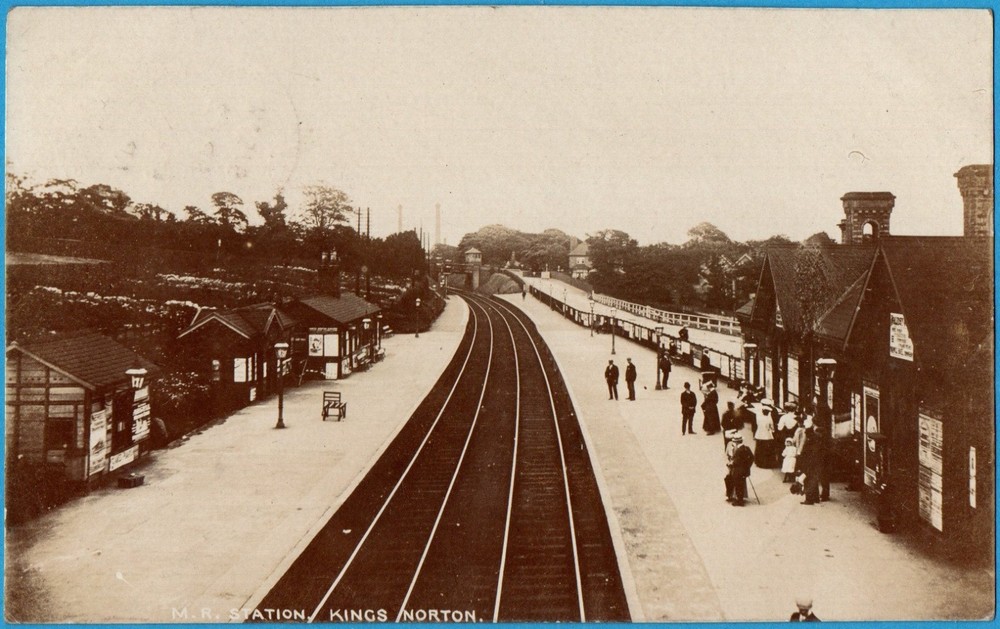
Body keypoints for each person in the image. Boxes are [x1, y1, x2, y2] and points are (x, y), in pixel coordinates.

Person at [725, 434, 754, 506]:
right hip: (744, 470)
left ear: (737, 442)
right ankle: (735, 497)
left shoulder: (738, 450)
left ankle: (739, 500)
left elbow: (736, 462)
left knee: (738, 485)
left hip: (737, 471)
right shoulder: (746, 448)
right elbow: (752, 457)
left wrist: (730, 464)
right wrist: (748, 466)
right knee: (739, 484)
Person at [754, 403, 778, 468]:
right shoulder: (769, 419)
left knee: (759, 449)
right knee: (767, 450)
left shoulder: (759, 418)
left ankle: (759, 462)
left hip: (759, 435)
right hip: (767, 436)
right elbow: (772, 428)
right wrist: (772, 430)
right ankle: (767, 464)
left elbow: (757, 424)